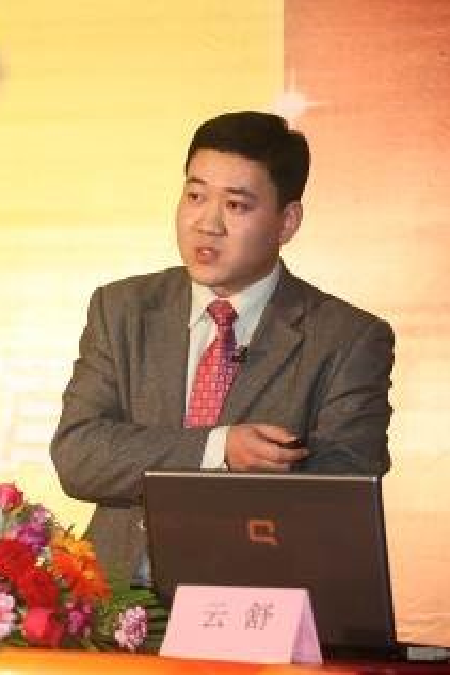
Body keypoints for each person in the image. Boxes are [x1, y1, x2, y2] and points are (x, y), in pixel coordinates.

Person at [50, 111, 394, 584]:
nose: (206, 223)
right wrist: (218, 449)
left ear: (287, 222)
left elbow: (341, 496)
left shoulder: (347, 339)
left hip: (258, 600)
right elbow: (78, 455)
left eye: (235, 205)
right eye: (195, 196)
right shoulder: (122, 309)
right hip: (117, 603)